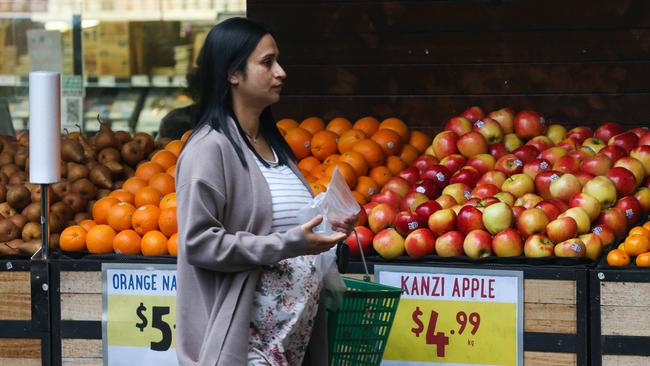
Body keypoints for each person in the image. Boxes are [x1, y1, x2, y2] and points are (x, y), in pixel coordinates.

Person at [175, 18, 357, 366]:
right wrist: (292, 243)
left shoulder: (275, 147)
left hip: (290, 342)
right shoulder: (209, 149)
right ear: (233, 74)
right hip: (246, 345)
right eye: (267, 62)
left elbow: (289, 231)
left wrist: (328, 229)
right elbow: (199, 243)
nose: (281, 72)